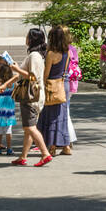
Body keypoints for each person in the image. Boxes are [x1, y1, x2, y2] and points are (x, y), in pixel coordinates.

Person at [8, 29, 53, 167]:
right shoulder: (37, 55)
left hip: (31, 96)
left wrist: (16, 69)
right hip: (35, 96)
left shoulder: (34, 55)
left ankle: (45, 153)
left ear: (31, 39)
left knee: (31, 127)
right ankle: (23, 156)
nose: (25, 38)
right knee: (28, 128)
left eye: (27, 36)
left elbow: (32, 76)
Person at [36, 24, 73, 156]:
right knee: (62, 116)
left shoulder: (51, 54)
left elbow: (46, 74)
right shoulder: (67, 51)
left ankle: (51, 146)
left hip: (52, 86)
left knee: (50, 116)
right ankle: (66, 145)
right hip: (64, 84)